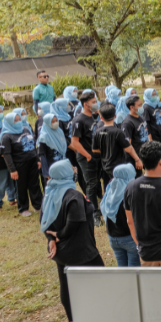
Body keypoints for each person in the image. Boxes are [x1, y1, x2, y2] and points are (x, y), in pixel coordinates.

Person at [41, 160, 104, 322]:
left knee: (67, 286)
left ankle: (73, 318)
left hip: (62, 252)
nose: (74, 170)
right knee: (101, 283)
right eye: (71, 169)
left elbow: (45, 220)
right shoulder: (72, 196)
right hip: (82, 251)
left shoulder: (50, 192)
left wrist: (51, 239)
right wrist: (59, 235)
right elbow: (74, 222)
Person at [0, 112, 43, 216]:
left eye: (19, 119)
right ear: (9, 122)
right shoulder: (6, 137)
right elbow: (6, 155)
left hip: (32, 161)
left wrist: (37, 159)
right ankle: (23, 208)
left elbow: (33, 145)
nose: (18, 122)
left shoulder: (25, 129)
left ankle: (38, 205)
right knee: (21, 187)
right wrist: (12, 170)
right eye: (16, 120)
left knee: (35, 184)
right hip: (19, 165)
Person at [70, 91, 103, 225]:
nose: (96, 104)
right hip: (87, 158)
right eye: (93, 102)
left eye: (96, 101)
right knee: (91, 184)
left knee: (97, 183)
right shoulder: (79, 120)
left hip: (98, 155)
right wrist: (87, 154)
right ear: (85, 104)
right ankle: (94, 213)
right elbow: (74, 142)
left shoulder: (95, 117)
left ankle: (98, 208)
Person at [98, 164, 140, 267]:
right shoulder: (130, 193)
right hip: (129, 238)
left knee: (122, 269)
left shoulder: (110, 190)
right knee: (133, 272)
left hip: (113, 238)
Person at [93, 103, 141, 180]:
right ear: (115, 116)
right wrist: (137, 159)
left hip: (105, 165)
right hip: (118, 165)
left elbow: (95, 149)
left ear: (101, 118)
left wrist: (106, 149)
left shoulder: (97, 132)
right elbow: (128, 149)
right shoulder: (118, 132)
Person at [121, 95, 149, 176]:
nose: (142, 106)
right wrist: (137, 159)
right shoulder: (127, 123)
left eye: (141, 104)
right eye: (139, 105)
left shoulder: (140, 118)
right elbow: (127, 145)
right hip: (135, 158)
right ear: (132, 107)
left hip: (144, 154)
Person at [37, 113, 68, 184]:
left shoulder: (59, 132)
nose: (55, 123)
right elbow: (42, 156)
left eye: (56, 120)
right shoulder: (43, 137)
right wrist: (46, 173)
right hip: (51, 167)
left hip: (62, 164)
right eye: (53, 122)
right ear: (47, 123)